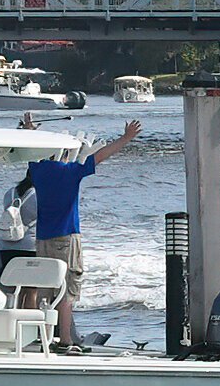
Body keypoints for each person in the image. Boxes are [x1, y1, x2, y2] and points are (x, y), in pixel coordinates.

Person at [26, 117, 141, 349]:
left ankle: (45, 337)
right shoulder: (70, 172)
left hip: (42, 237)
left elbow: (31, 150)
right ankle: (66, 340)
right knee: (67, 289)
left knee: (47, 288)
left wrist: (29, 129)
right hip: (67, 236)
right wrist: (126, 137)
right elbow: (101, 156)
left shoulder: (37, 170)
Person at [0, 172, 37, 280]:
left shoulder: (10, 192)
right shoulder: (38, 194)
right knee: (30, 286)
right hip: (29, 245)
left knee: (12, 283)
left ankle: (10, 297)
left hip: (6, 244)